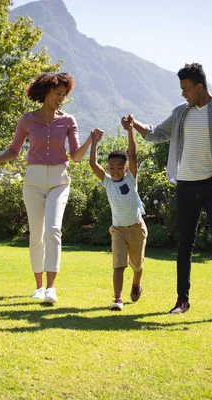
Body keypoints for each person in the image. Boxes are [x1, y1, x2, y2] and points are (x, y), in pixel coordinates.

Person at [121, 63, 212, 315]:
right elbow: (155, 134)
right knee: (185, 243)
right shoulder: (180, 113)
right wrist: (134, 123)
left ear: (199, 87)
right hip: (185, 185)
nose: (183, 94)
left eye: (186, 89)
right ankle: (182, 301)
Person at [0, 72, 93, 304]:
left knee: (53, 230)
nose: (61, 98)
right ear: (46, 92)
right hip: (33, 181)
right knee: (36, 234)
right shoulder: (27, 120)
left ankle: (52, 288)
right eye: (58, 93)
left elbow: (75, 156)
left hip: (58, 181)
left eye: (64, 94)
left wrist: (90, 141)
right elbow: (14, 151)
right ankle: (39, 287)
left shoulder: (68, 120)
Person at [89, 124, 148, 311]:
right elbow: (92, 164)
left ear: (126, 169)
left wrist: (130, 130)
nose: (114, 171)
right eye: (111, 167)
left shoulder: (131, 179)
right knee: (118, 265)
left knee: (137, 265)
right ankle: (118, 299)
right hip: (118, 231)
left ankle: (136, 283)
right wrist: (93, 142)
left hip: (137, 228)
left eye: (118, 168)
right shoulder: (107, 182)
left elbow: (133, 155)